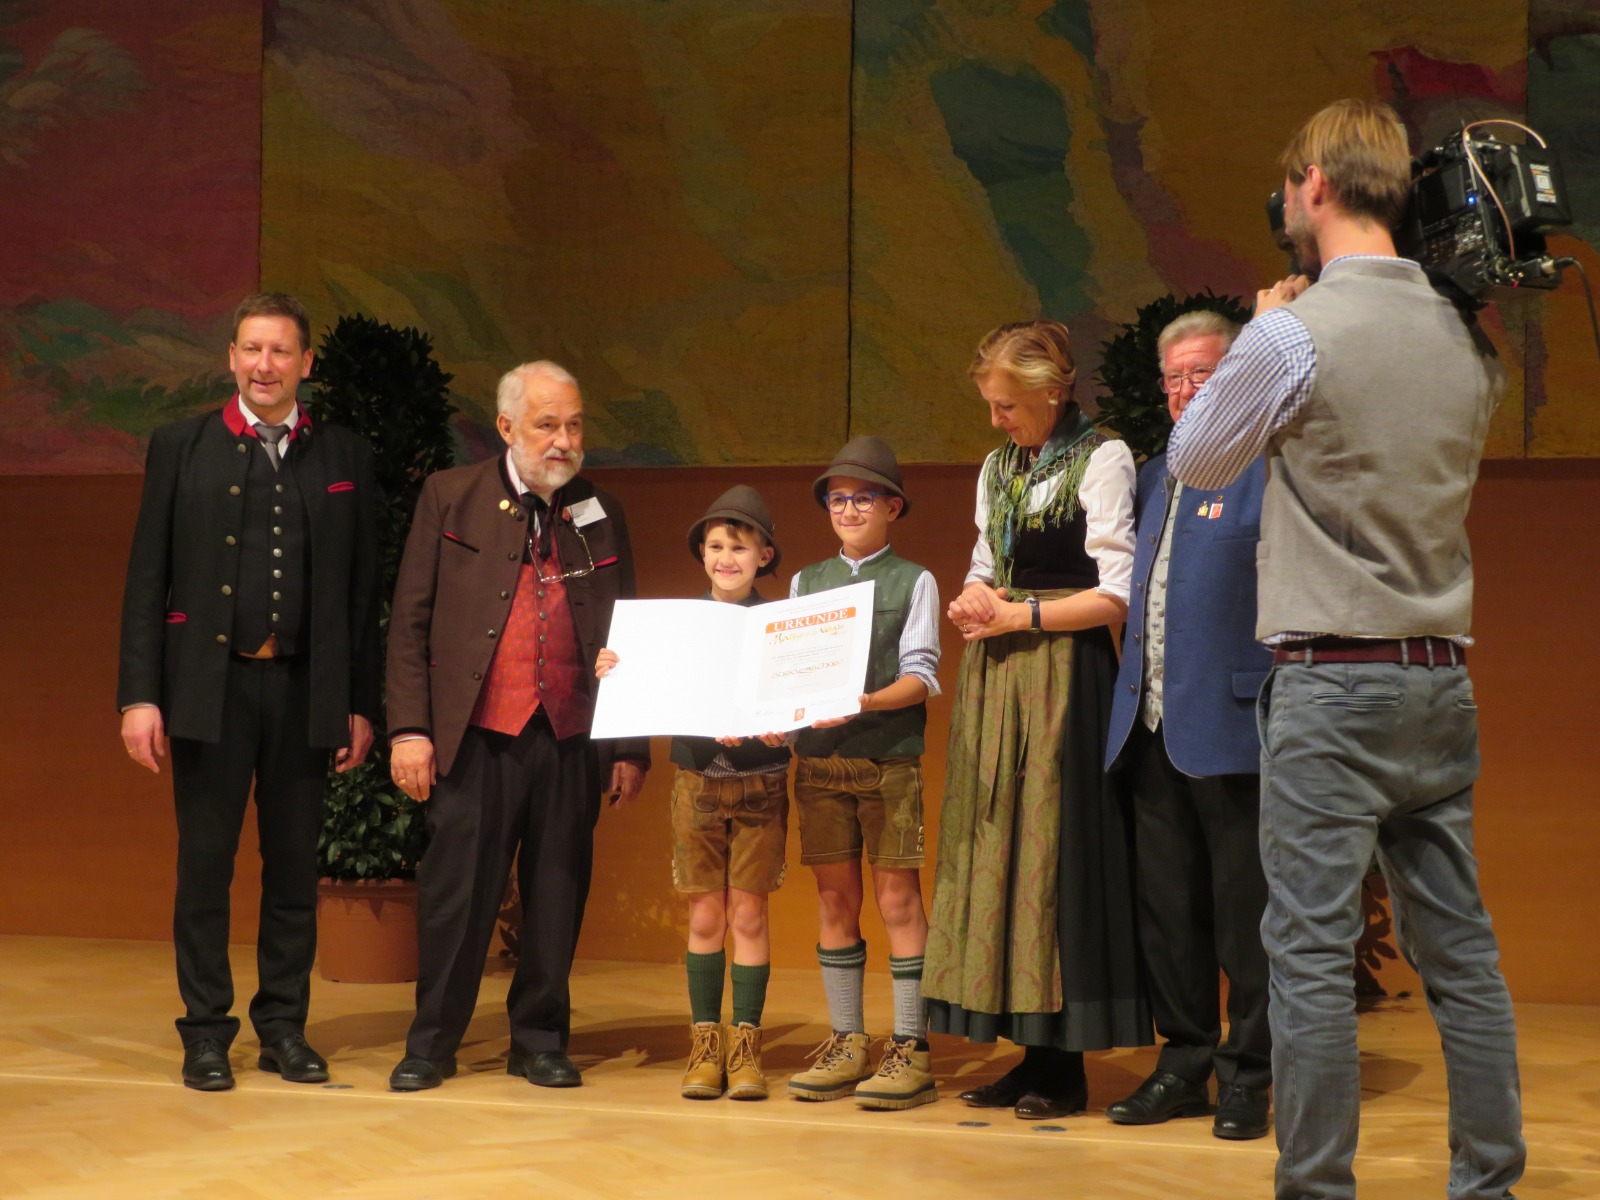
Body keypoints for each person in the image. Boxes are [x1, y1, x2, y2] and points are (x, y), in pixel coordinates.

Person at [1168, 98, 1526, 1199]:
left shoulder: (1294, 330)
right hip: (1439, 680)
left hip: (1331, 685)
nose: (1284, 203)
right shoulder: (1465, 336)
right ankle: (1490, 1182)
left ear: (1315, 185)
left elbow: (1195, 459)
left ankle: (1317, 1187)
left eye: (1287, 188)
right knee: (1460, 955)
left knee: (1311, 957)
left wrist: (1263, 326)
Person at [117, 292, 380, 1091]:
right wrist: (139, 696)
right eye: (252, 349)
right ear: (232, 357)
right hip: (210, 690)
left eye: (281, 351)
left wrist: (360, 703)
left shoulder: (344, 455)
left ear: (306, 363)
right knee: (205, 869)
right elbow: (147, 578)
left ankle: (283, 1029)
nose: (265, 365)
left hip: (305, 691)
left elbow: (362, 593)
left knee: (294, 871)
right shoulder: (181, 446)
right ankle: (205, 1032)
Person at [384, 360, 649, 1092]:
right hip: (476, 736)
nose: (564, 441)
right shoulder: (450, 496)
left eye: (574, 425)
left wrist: (629, 747)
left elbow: (627, 632)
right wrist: (409, 730)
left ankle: (538, 1040)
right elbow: (409, 623)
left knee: (557, 894)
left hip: (570, 735)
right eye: (547, 425)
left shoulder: (600, 509)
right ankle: (432, 1043)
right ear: (506, 427)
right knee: (457, 897)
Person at [924, 320, 1149, 1119]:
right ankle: (1028, 1052)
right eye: (991, 405)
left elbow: (1117, 593)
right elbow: (986, 564)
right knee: (1002, 851)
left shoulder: (1103, 458)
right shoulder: (1000, 467)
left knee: (1053, 855)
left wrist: (1021, 617)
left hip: (1065, 675)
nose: (997, 420)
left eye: (1007, 405)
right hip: (1001, 675)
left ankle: (1065, 1066)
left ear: (1053, 392)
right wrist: (972, 599)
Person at [1103, 311, 1273, 1140]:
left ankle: (1250, 1075)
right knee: (1168, 912)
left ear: (1237, 375)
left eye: (1200, 373)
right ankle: (1183, 1064)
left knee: (1246, 917)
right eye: (1172, 379)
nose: (1183, 391)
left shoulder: (1270, 467)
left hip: (1234, 726)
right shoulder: (1151, 475)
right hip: (1148, 724)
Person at [595, 486, 789, 1101]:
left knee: (749, 913)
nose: (727, 558)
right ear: (701, 554)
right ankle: (705, 1046)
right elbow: (648, 684)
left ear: (764, 555)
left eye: (740, 547)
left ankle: (746, 1046)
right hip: (698, 782)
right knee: (705, 915)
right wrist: (618, 669)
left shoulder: (781, 625)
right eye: (716, 546)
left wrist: (784, 724)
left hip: (761, 782)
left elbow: (800, 702)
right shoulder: (673, 626)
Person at [783, 436, 942, 1111]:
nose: (848, 510)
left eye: (863, 499)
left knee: (899, 899)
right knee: (834, 901)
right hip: (819, 763)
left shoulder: (915, 579)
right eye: (837, 500)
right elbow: (788, 671)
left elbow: (922, 676)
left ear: (892, 507)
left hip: (888, 759)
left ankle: (911, 1047)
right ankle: (848, 1040)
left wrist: (866, 701)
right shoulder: (805, 582)